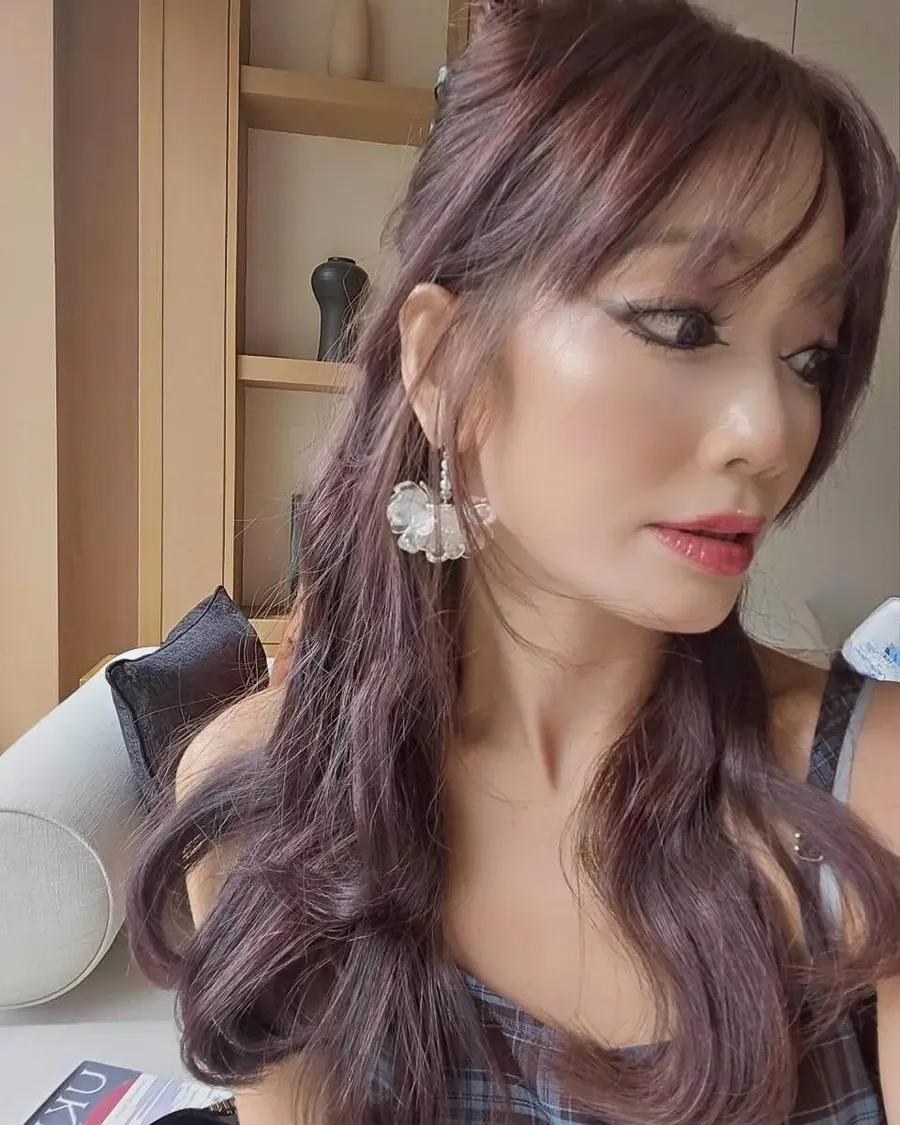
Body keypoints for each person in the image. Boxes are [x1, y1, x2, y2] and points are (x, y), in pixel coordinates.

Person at [127, 1, 900, 1122]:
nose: (773, 431)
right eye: (683, 324)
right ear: (448, 368)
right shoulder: (272, 808)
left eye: (810, 358)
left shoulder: (868, 800)